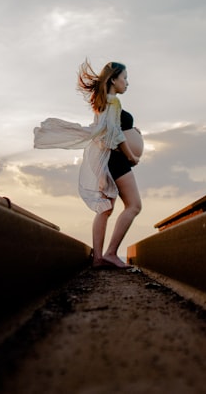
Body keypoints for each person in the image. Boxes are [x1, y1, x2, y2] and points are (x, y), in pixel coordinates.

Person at [33, 59, 143, 270]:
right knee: (134, 206)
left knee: (106, 208)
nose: (127, 83)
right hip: (116, 159)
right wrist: (132, 156)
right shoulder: (112, 103)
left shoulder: (105, 103)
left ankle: (99, 258)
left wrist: (134, 132)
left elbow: (112, 130)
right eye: (125, 78)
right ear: (113, 79)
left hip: (110, 160)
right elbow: (115, 135)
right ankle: (110, 253)